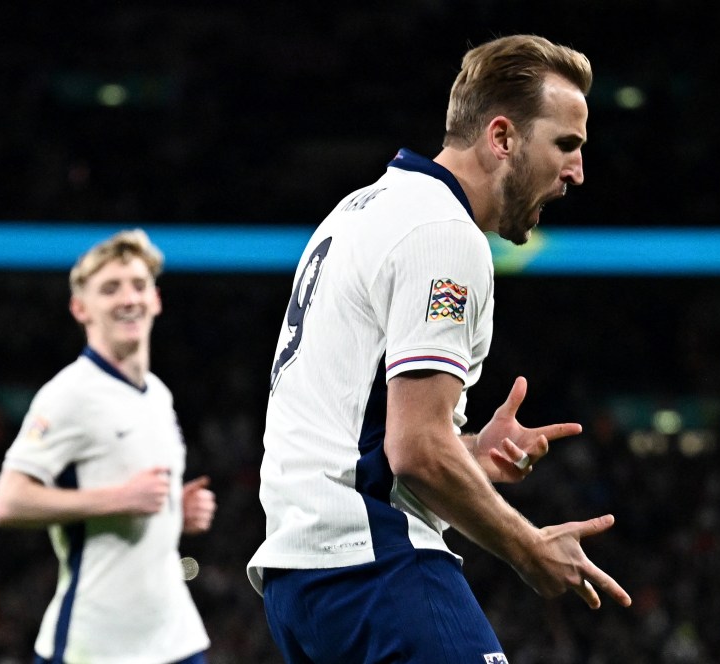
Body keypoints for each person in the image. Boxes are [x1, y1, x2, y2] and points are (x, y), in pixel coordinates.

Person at [247, 34, 631, 664]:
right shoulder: (443, 235)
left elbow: (363, 424)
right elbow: (415, 450)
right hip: (373, 569)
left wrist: (468, 454)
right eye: (566, 145)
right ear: (502, 138)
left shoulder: (358, 210)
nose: (577, 173)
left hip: (302, 582)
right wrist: (529, 548)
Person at [0, 229, 216, 664]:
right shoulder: (69, 394)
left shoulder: (158, 394)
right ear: (80, 308)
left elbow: (141, 501)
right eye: (110, 288)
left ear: (156, 299)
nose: (128, 298)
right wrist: (118, 499)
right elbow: (7, 502)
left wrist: (174, 511)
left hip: (176, 638)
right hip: (96, 646)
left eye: (138, 285)